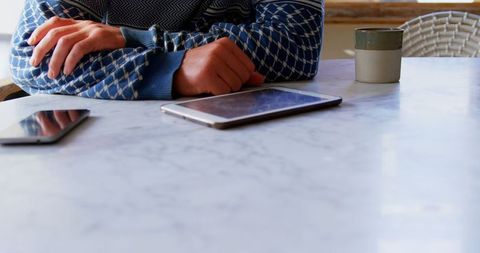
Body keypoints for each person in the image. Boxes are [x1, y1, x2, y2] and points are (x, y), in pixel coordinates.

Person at [10, 0, 324, 100]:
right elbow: (34, 56)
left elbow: (296, 44)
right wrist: (167, 69)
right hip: (106, 145)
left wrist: (133, 38)